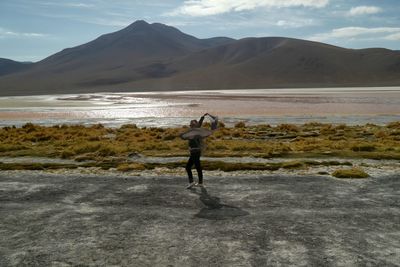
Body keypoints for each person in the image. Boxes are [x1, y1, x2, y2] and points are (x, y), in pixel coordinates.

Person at [180, 113, 210, 189]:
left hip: (196, 152)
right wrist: (202, 117)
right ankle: (198, 183)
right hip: (193, 152)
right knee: (195, 167)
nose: (191, 125)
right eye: (191, 124)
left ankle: (194, 182)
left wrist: (202, 118)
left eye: (193, 124)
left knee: (191, 167)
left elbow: (199, 124)